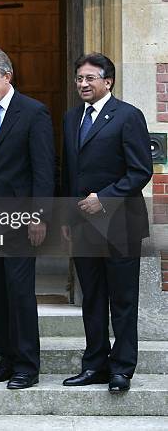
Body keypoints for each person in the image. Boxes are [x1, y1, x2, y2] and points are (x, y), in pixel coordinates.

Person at [61, 53, 152, 393]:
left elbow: (140, 170)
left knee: (123, 299)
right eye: (79, 79)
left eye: (90, 79)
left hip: (120, 224)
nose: (83, 84)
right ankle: (94, 365)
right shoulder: (71, 119)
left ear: (107, 81)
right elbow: (69, 172)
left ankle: (121, 369)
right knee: (93, 297)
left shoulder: (128, 116)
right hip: (83, 226)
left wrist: (104, 197)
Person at [0, 48, 55, 389]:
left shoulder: (34, 112)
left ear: (7, 76)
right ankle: (6, 357)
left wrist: (40, 215)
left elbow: (44, 169)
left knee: (19, 291)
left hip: (21, 219)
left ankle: (27, 365)